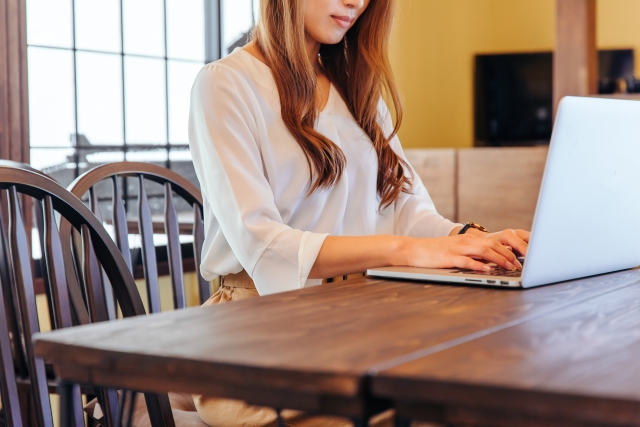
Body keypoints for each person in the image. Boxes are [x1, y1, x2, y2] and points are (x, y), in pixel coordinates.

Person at [188, 0, 530, 425]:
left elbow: (406, 208)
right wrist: (404, 251)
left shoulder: (356, 88)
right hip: (255, 328)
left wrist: (472, 240)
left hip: (355, 314)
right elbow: (262, 243)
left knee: (492, 383)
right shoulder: (226, 84)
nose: (356, 2)